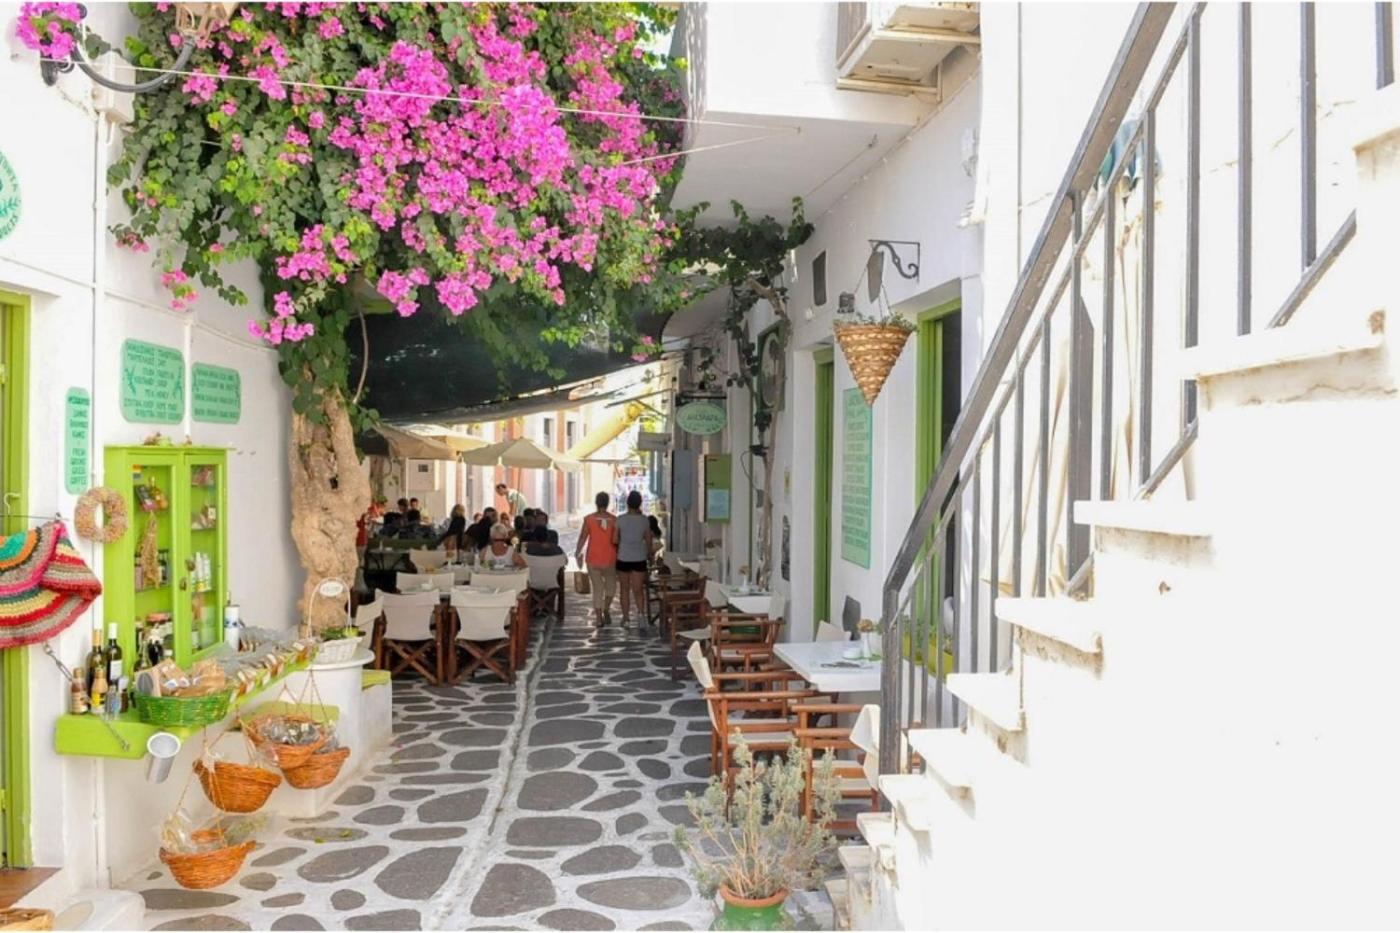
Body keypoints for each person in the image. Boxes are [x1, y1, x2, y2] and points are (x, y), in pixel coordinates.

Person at [576, 492, 618, 626]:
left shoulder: (589, 519)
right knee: (609, 589)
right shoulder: (614, 520)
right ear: (607, 503)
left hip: (594, 559)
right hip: (609, 559)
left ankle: (600, 616)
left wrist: (578, 551)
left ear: (596, 502)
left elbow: (583, 537)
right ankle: (604, 610)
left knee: (599, 589)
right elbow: (617, 540)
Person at [615, 490, 654, 626]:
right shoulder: (644, 520)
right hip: (639, 558)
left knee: (624, 589)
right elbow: (648, 540)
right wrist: (650, 554)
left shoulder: (620, 519)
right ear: (640, 504)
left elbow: (615, 539)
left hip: (623, 558)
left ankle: (626, 618)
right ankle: (641, 615)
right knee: (638, 590)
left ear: (627, 503)